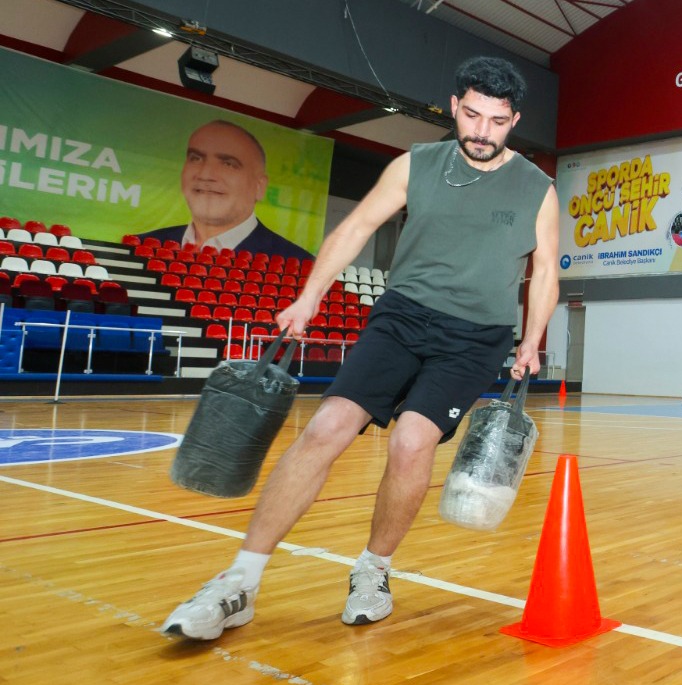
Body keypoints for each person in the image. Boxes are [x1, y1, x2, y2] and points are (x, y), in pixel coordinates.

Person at [162, 56, 560, 640]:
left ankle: (373, 570)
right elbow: (354, 229)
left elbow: (545, 269)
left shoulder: (536, 188)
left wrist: (532, 339)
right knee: (326, 427)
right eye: (472, 116)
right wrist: (308, 297)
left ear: (514, 121)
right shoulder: (415, 165)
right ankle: (238, 583)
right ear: (454, 107)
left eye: (497, 122)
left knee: (411, 441)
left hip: (476, 335)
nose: (482, 132)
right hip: (402, 316)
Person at [138, 120, 314, 260]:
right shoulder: (141, 246)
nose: (206, 174)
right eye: (196, 158)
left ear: (259, 186)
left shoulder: (298, 264)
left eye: (228, 164)